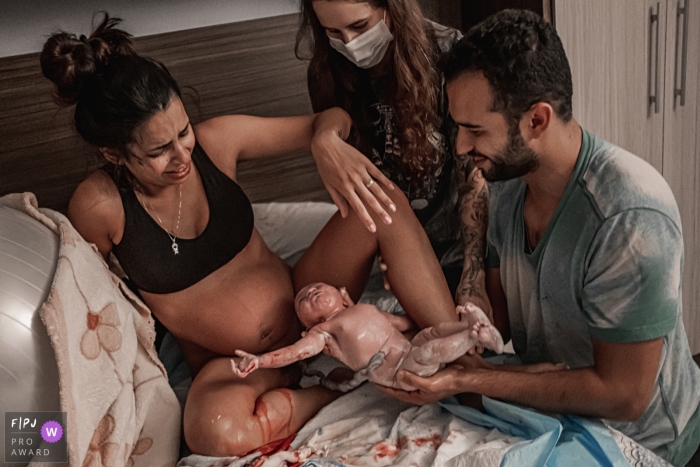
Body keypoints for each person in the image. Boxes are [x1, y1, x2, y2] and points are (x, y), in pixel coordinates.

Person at [40, 14, 461, 457]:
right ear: (113, 152)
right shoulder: (99, 207)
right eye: (158, 151)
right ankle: (334, 393)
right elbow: (97, 304)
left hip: (309, 303)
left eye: (182, 132)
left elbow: (332, 117)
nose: (182, 155)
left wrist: (324, 142)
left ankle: (456, 354)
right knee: (216, 434)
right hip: (235, 365)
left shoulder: (216, 142)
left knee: (382, 201)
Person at [381, 9, 700, 466]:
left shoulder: (627, 218)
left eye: (475, 130)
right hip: (560, 414)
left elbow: (624, 397)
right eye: (459, 129)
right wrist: (425, 332)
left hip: (643, 440)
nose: (460, 148)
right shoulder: (508, 183)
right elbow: (499, 323)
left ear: (536, 120)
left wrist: (469, 380)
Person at [295, 0, 491, 315]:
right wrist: (322, 140)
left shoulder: (452, 55)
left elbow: (474, 180)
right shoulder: (326, 74)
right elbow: (348, 181)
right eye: (333, 32)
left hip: (458, 245)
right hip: (385, 246)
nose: (350, 44)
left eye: (360, 26)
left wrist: (473, 277)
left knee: (461, 339)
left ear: (393, 8)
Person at [231, 282, 504, 391]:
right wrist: (260, 360)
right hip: (396, 370)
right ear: (306, 324)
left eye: (318, 286)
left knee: (430, 333)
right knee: (426, 353)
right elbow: (294, 352)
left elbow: (402, 322)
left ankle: (470, 326)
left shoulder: (363, 308)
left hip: (407, 347)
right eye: (304, 298)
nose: (312, 290)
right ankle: (474, 336)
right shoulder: (322, 333)